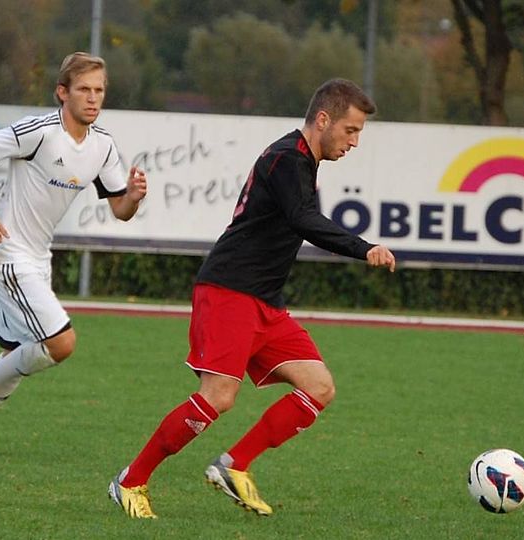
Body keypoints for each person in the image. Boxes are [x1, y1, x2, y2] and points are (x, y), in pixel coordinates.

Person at [108, 78, 396, 519]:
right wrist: (364, 248)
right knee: (218, 396)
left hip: (264, 301)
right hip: (229, 291)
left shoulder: (301, 160)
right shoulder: (287, 158)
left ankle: (234, 465)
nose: (355, 141)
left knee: (319, 387)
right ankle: (131, 480)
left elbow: (298, 218)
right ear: (323, 120)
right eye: (351, 130)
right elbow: (304, 220)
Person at [0, 51, 148, 459]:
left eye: (99, 90)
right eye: (84, 89)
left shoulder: (103, 146)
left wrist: (135, 197)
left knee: (12, 358)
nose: (93, 98)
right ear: (62, 92)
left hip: (37, 256)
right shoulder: (40, 131)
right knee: (61, 343)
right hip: (6, 251)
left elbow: (120, 210)